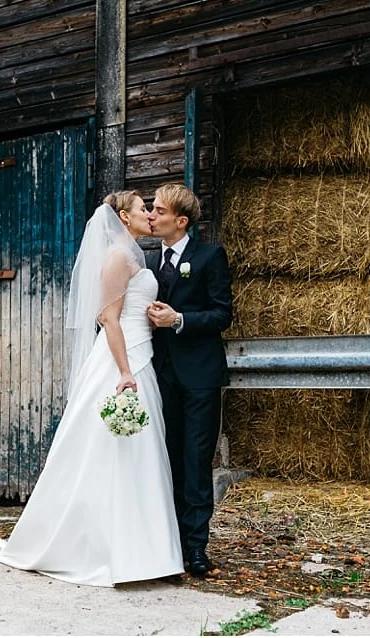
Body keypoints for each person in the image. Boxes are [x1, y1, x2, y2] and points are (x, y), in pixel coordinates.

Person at [0, 192, 183, 586]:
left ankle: (148, 553)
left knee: (140, 453)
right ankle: (107, 550)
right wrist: (125, 373)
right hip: (121, 362)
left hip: (140, 354)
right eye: (145, 209)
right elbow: (108, 319)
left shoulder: (136, 257)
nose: (150, 215)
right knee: (111, 451)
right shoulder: (116, 258)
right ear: (124, 218)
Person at [146, 183, 233, 577]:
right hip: (160, 375)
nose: (152, 215)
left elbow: (221, 315)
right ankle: (167, 546)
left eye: (159, 211)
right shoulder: (146, 263)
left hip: (199, 376)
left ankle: (196, 548)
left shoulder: (209, 257)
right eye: (151, 209)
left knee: (196, 462)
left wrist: (178, 319)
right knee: (168, 460)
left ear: (180, 221)